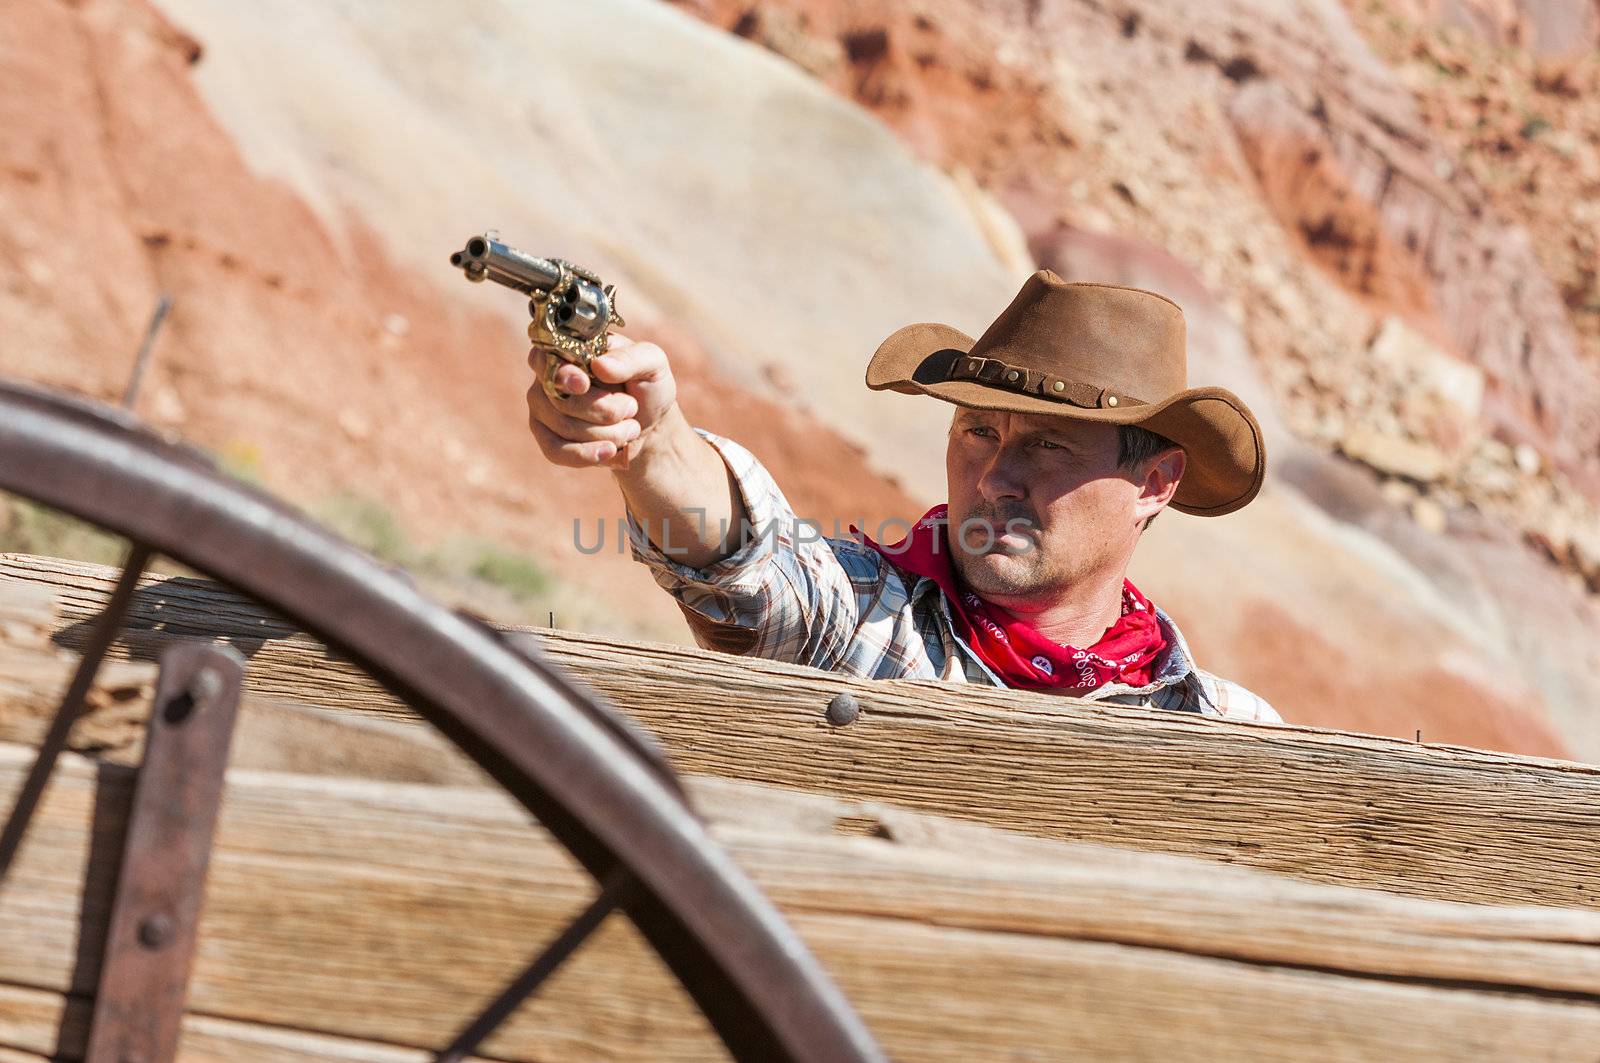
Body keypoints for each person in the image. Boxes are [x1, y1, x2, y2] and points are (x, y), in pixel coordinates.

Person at [526, 270, 1281, 721]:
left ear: (1154, 484)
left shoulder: (1228, 726)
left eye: (1048, 445)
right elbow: (746, 561)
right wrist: (654, 441)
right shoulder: (867, 620)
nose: (993, 478)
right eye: (977, 432)